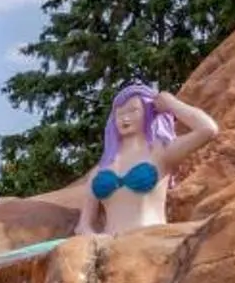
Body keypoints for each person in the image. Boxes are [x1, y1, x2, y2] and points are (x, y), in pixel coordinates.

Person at [73, 81, 220, 237]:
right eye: (120, 113)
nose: (125, 118)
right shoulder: (100, 168)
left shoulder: (161, 152)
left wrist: (171, 103)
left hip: (153, 242)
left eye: (133, 111)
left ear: (148, 112)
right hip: (111, 249)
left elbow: (208, 129)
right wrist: (95, 238)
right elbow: (82, 227)